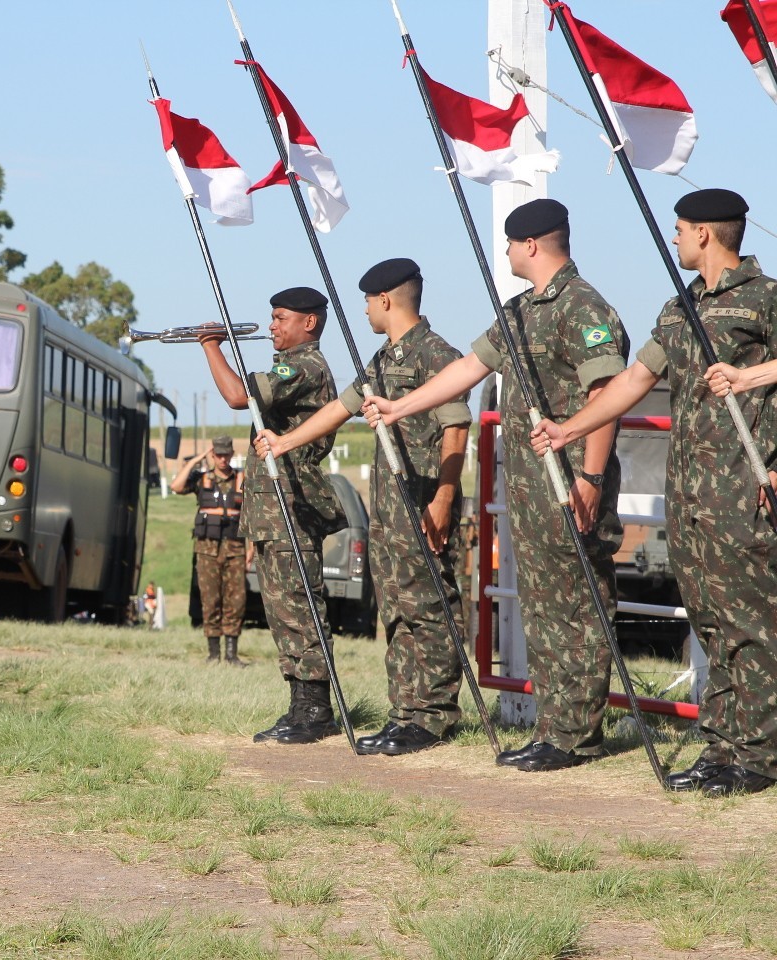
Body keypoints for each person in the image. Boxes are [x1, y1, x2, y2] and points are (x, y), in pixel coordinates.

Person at [364, 200, 628, 772]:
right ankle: (555, 728)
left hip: (570, 485)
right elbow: (464, 371)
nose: (505, 253)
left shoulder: (581, 306)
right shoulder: (517, 312)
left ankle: (576, 737)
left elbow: (606, 396)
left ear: (531, 245)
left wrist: (590, 477)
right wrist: (399, 405)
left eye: (510, 244)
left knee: (577, 607)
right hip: (533, 491)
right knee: (544, 609)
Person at [534, 188, 777, 797]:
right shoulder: (679, 309)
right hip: (691, 496)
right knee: (712, 621)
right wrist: (570, 427)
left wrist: (751, 375)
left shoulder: (766, 299)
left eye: (679, 229)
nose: (673, 238)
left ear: (704, 234)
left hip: (746, 489)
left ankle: (760, 753)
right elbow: (634, 381)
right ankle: (724, 748)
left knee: (753, 623)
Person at [256, 258, 471, 756]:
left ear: (386, 300)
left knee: (428, 606)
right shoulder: (381, 358)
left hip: (422, 501)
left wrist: (443, 497)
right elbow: (340, 408)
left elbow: (456, 427)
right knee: (396, 608)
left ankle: (432, 714)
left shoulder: (437, 355)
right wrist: (286, 443)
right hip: (391, 509)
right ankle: (404, 712)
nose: (366, 312)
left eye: (369, 303)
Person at [197, 287, 347, 744]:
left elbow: (239, 396)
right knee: (283, 609)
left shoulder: (303, 365)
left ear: (310, 323)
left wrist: (211, 346)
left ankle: (314, 710)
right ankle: (303, 705)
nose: (272, 326)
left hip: (292, 502)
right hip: (274, 505)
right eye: (272, 317)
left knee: (298, 604)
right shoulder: (296, 362)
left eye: (281, 318)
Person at [170, 435, 249, 666]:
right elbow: (175, 486)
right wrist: (196, 460)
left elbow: (249, 518)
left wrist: (251, 549)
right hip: (206, 551)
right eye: (218, 454)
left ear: (232, 454)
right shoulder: (201, 479)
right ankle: (213, 654)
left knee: (236, 601)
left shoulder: (242, 479)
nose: (223, 459)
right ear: (213, 455)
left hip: (235, 549)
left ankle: (232, 654)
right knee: (210, 599)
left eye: (226, 454)